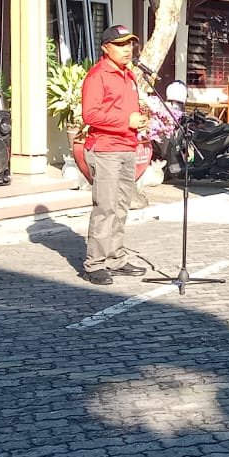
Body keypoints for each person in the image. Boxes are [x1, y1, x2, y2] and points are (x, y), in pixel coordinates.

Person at [79, 25, 149, 285]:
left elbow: (127, 112)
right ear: (105, 48)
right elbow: (91, 115)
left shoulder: (129, 76)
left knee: (121, 208)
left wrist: (140, 121)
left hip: (127, 147)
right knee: (105, 207)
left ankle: (116, 258)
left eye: (130, 44)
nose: (127, 49)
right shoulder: (97, 76)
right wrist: (126, 120)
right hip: (105, 149)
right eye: (120, 44)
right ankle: (94, 263)